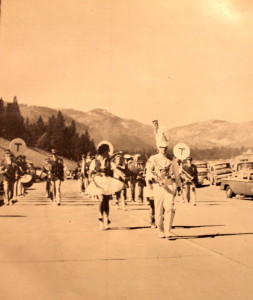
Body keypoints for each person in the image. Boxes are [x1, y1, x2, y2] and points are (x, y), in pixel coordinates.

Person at [86, 143, 125, 230]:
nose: (108, 154)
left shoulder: (109, 162)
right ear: (102, 152)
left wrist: (122, 175)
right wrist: (90, 178)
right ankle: (100, 217)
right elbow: (90, 171)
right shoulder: (95, 161)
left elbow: (115, 169)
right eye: (107, 152)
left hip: (107, 181)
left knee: (106, 202)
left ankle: (106, 220)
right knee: (101, 199)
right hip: (98, 181)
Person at [146, 141, 176, 238]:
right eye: (161, 147)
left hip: (169, 185)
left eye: (165, 147)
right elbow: (148, 172)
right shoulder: (153, 158)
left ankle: (168, 230)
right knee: (158, 209)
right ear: (158, 147)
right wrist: (153, 178)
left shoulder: (171, 159)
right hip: (157, 186)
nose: (163, 149)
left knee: (170, 208)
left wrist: (178, 185)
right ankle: (161, 230)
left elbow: (176, 173)